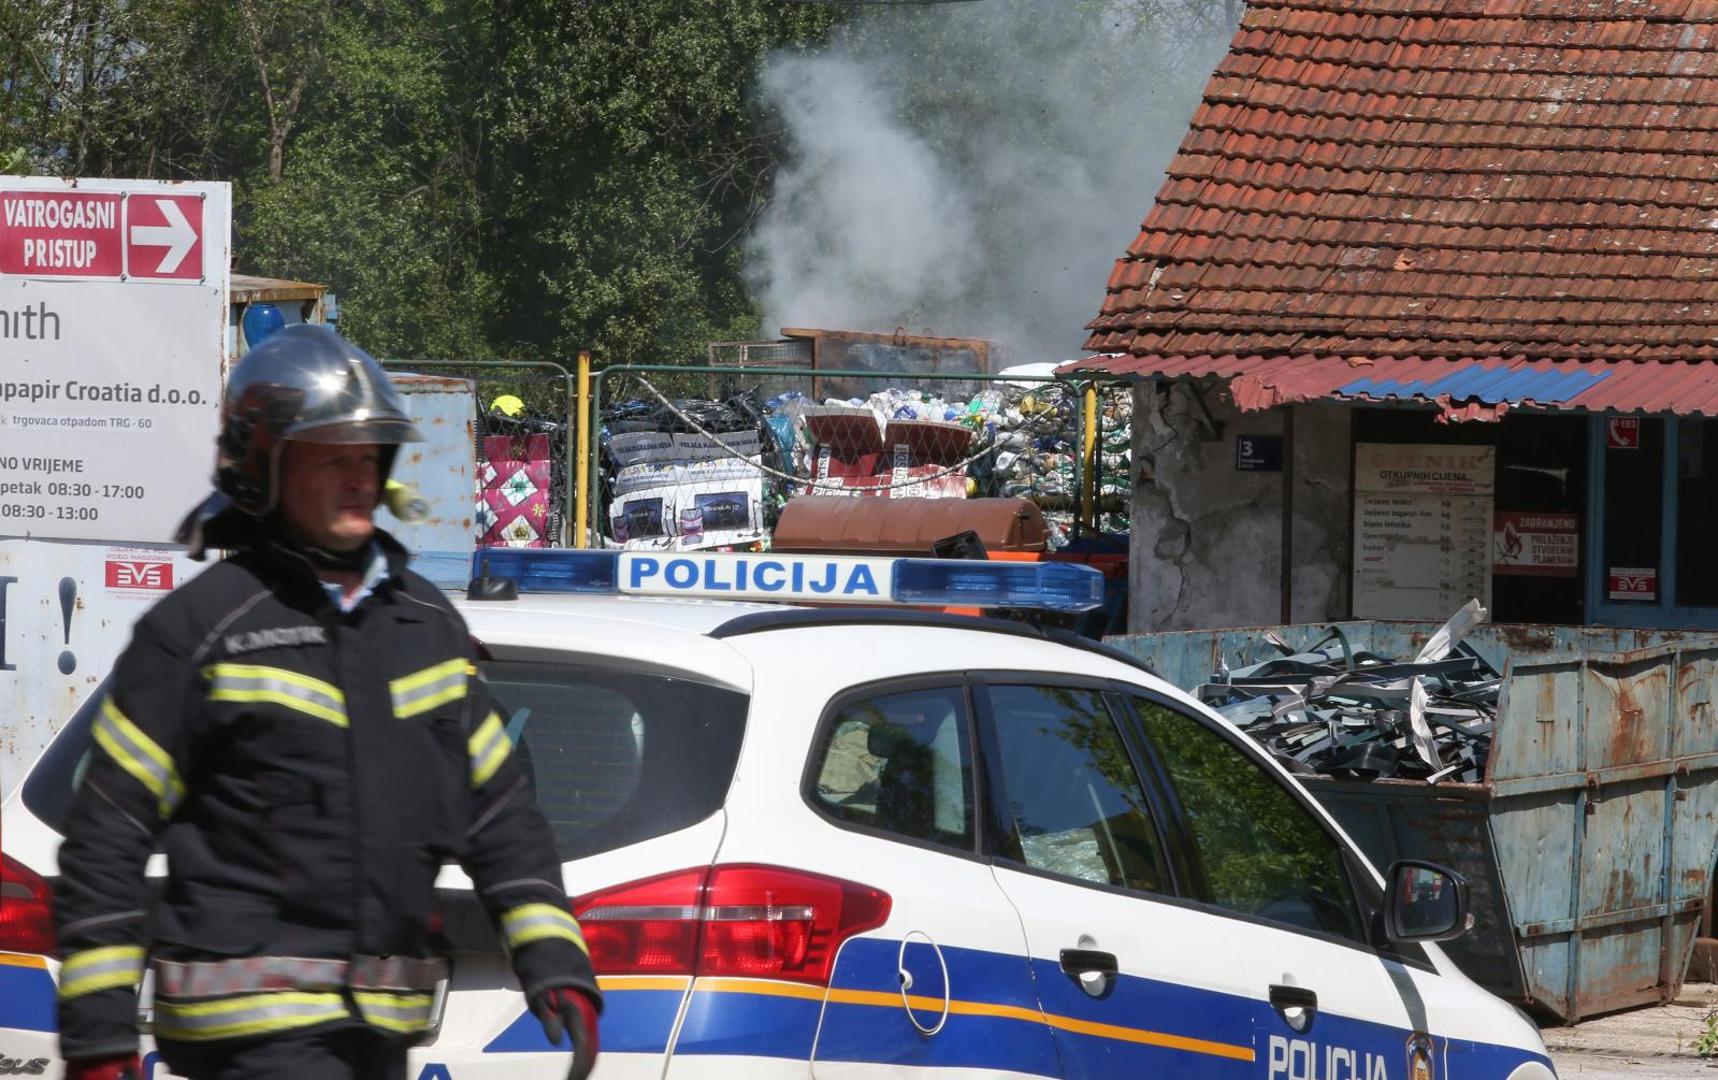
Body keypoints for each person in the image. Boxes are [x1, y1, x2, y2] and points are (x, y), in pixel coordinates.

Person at [53, 324, 600, 1080]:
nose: (359, 479)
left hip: (380, 1040)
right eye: (331, 458)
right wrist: (98, 1039)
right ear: (267, 467)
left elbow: (500, 815)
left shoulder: (426, 626)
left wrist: (553, 959)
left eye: (370, 457)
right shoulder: (198, 632)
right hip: (249, 1048)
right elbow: (106, 841)